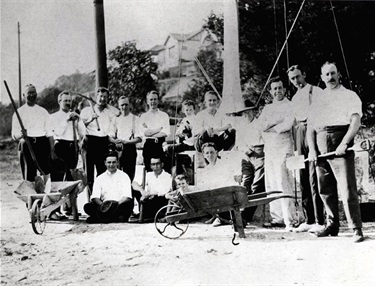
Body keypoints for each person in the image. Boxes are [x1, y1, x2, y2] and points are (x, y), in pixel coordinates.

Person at [307, 61, 364, 243]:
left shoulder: (350, 95)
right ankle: (332, 226)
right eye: (327, 75)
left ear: (339, 74)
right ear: (322, 78)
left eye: (333, 73)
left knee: (347, 189)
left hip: (341, 144)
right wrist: (313, 150)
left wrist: (344, 143)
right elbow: (310, 128)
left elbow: (355, 122)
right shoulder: (318, 98)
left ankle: (356, 228)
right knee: (325, 189)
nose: (330, 78)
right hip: (321, 145)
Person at [287, 65, 325, 233]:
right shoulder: (295, 98)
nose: (296, 81)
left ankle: (319, 219)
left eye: (298, 77)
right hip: (299, 132)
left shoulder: (315, 91)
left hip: (314, 130)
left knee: (314, 175)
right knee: (302, 177)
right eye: (292, 79)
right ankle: (308, 218)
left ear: (304, 74)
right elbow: (295, 121)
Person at [257, 77, 296, 231]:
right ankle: (277, 218)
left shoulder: (289, 105)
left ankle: (289, 219)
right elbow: (260, 125)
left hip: (283, 147)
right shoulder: (267, 108)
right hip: (270, 148)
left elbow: (287, 124)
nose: (278, 91)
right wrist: (275, 123)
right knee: (271, 183)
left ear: (284, 89)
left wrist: (271, 126)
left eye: (280, 88)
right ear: (271, 91)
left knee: (282, 181)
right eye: (275, 89)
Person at [11, 84, 56, 184]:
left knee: (46, 171)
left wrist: (52, 150)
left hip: (42, 144)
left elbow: (49, 133)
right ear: (24, 95)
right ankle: (30, 197)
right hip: (26, 144)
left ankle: (46, 196)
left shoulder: (43, 111)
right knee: (29, 175)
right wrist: (20, 134)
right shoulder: (19, 112)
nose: (31, 95)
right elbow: (14, 134)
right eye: (29, 93)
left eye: (33, 92)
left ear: (36, 94)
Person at [80, 87, 117, 191]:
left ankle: (101, 198)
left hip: (103, 143)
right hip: (89, 142)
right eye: (101, 96)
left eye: (105, 97)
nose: (103, 99)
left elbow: (112, 129)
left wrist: (111, 138)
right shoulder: (86, 111)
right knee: (89, 175)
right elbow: (80, 128)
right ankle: (91, 198)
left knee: (102, 173)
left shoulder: (110, 113)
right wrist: (90, 119)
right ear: (96, 97)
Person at [196, 142, 241, 226]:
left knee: (217, 192)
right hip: (217, 193)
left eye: (212, 152)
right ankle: (216, 216)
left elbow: (225, 182)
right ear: (204, 155)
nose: (210, 155)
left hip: (229, 192)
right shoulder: (207, 169)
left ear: (216, 153)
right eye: (207, 153)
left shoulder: (223, 164)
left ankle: (221, 218)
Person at [235, 106, 266, 224]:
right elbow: (239, 144)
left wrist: (256, 151)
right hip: (246, 155)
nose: (246, 115)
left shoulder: (259, 124)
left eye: (248, 112)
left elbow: (266, 140)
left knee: (258, 184)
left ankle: (246, 216)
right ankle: (240, 214)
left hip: (259, 154)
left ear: (253, 112)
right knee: (245, 184)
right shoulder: (240, 127)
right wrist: (246, 150)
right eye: (243, 113)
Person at [83, 152, 133, 223]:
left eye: (114, 162)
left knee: (128, 205)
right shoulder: (100, 178)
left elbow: (127, 197)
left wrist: (114, 206)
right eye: (109, 162)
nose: (111, 165)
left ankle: (101, 218)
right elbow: (95, 197)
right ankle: (112, 218)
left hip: (119, 205)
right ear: (105, 163)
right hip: (104, 206)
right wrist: (104, 207)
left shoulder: (124, 176)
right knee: (88, 207)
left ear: (117, 163)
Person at [49, 91, 86, 181]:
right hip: (60, 147)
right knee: (58, 177)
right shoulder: (53, 117)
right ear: (59, 101)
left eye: (69, 101)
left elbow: (82, 133)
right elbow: (57, 132)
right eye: (65, 101)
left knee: (72, 178)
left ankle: (71, 195)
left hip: (73, 148)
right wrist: (66, 120)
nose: (68, 103)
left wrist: (79, 120)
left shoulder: (74, 116)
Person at [109, 96, 141, 182]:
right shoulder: (115, 119)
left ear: (129, 105)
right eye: (122, 105)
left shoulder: (135, 119)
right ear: (119, 106)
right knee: (116, 176)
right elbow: (110, 135)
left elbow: (139, 138)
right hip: (118, 149)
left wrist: (127, 141)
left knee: (129, 177)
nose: (124, 107)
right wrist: (114, 141)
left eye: (126, 104)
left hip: (130, 149)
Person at [132, 156, 172, 222]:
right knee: (135, 191)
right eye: (153, 164)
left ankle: (151, 215)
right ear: (150, 166)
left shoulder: (167, 176)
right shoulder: (148, 175)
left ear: (162, 164)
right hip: (149, 199)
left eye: (157, 164)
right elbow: (134, 184)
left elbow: (165, 192)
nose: (155, 166)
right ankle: (145, 214)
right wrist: (142, 191)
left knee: (159, 198)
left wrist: (149, 194)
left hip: (160, 201)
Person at [139, 91, 170, 172]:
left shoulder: (164, 115)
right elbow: (144, 133)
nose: (153, 102)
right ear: (147, 101)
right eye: (151, 99)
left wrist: (150, 132)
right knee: (149, 171)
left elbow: (166, 132)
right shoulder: (143, 116)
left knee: (162, 170)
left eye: (155, 99)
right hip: (148, 145)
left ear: (158, 101)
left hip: (161, 145)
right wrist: (159, 129)